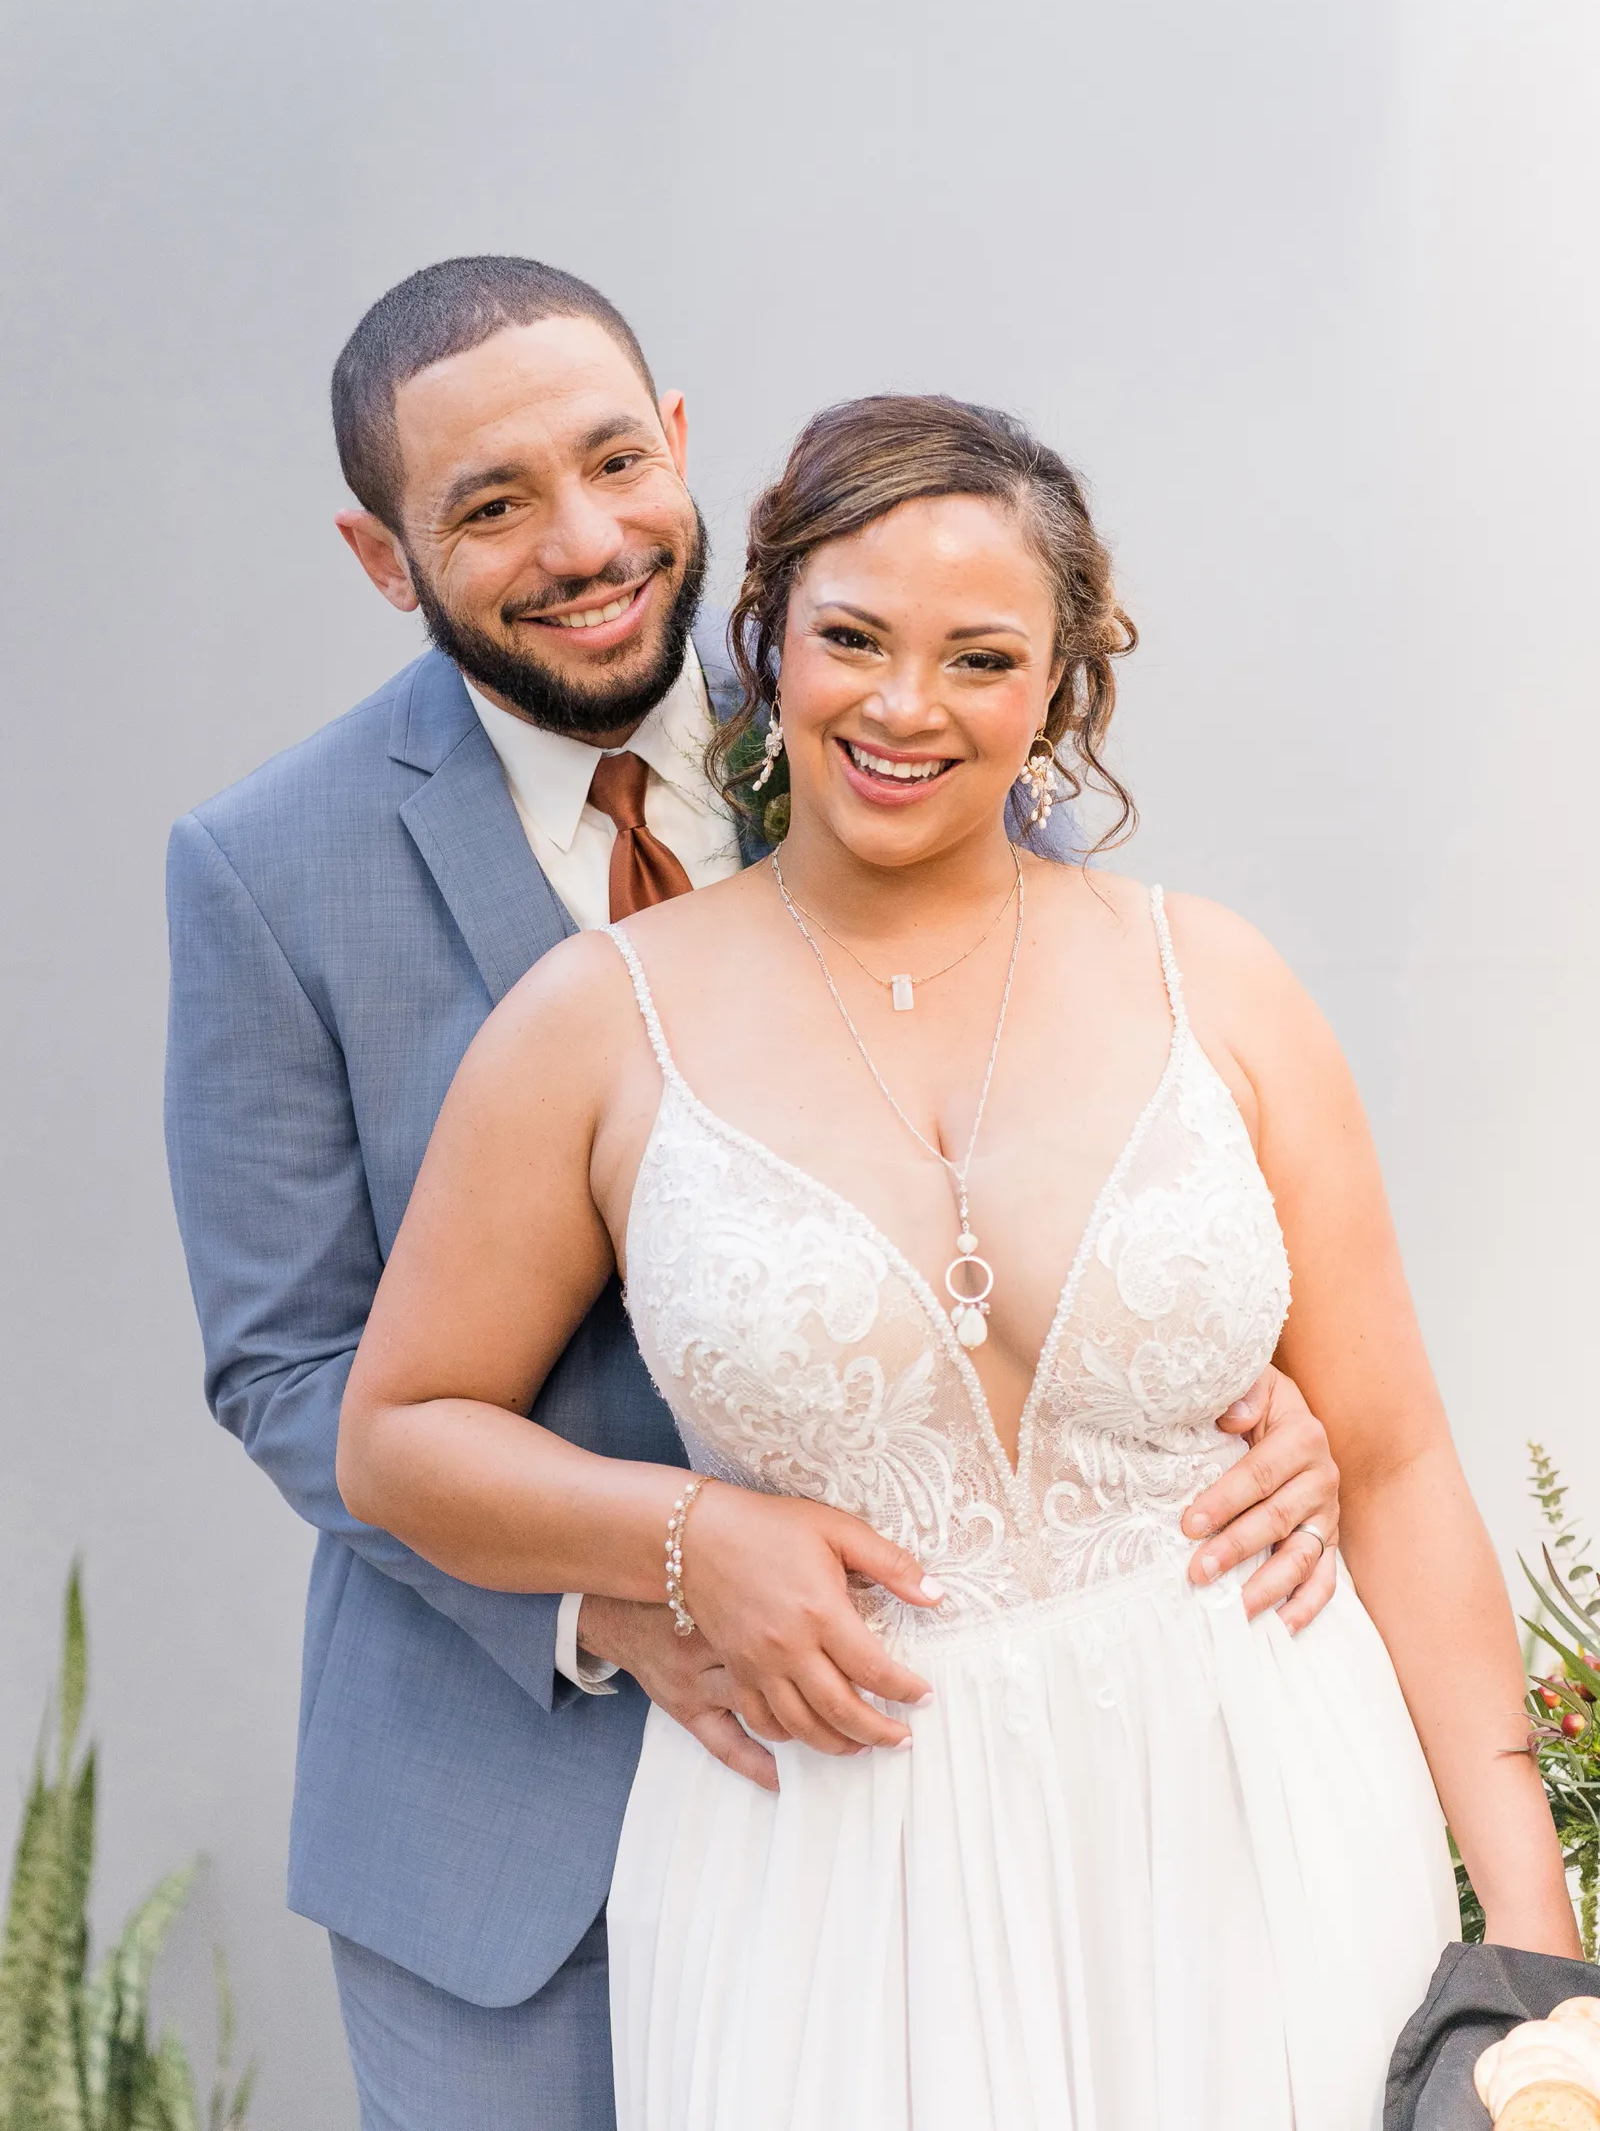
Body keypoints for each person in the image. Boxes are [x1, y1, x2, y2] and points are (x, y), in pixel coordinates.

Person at [165, 260, 1341, 2131]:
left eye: (616, 462)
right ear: (384, 557)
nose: (586, 543)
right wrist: (639, 1568)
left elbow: (1083, 1119)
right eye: (490, 505)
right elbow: (293, 1367)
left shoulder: (880, 688)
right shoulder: (266, 869)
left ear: (680, 441)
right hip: (506, 1818)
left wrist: (1256, 1402)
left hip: (933, 1797)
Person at [337, 388, 1580, 2131]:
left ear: (1059, 687)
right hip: (833, 1867)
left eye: (981, 660)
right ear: (767, 638)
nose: (905, 707)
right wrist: (688, 1535)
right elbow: (397, 1438)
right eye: (852, 639)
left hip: (1259, 1807)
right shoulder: (595, 1027)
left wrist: (1536, 1944)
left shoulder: (1217, 984)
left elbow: (1389, 1463)